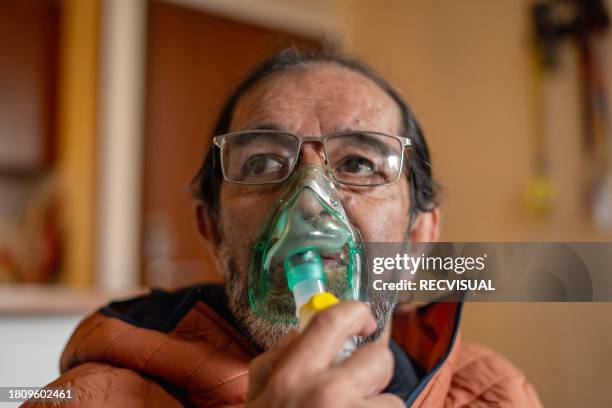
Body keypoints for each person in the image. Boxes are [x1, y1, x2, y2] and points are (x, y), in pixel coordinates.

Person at [26, 48, 542, 407]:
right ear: (213, 232)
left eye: (360, 164)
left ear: (418, 239)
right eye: (263, 164)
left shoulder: (493, 391)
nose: (311, 206)